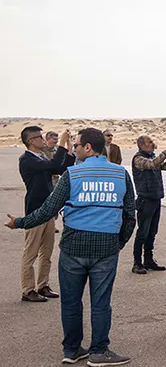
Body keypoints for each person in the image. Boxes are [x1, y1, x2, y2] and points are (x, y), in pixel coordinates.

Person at [6, 128, 135, 366]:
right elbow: (130, 215)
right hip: (105, 247)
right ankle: (99, 351)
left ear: (88, 148)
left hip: (73, 246)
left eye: (76, 145)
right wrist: (118, 243)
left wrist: (20, 223)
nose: (73, 149)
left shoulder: (72, 174)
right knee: (101, 303)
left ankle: (72, 349)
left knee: (71, 301)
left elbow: (48, 210)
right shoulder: (120, 174)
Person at [17, 125, 73, 303]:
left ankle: (43, 285)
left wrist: (69, 149)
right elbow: (55, 165)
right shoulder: (27, 160)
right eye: (40, 137)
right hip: (35, 210)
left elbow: (61, 168)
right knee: (31, 252)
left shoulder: (40, 158)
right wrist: (62, 143)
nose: (43, 140)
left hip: (48, 210)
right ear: (31, 141)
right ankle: (28, 290)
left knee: (46, 251)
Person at [130, 135, 166, 274]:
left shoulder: (153, 157)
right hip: (145, 200)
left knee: (152, 232)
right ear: (141, 145)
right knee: (142, 233)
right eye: (150, 142)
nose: (153, 144)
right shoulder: (138, 159)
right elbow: (152, 164)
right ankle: (137, 263)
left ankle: (148, 260)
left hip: (155, 198)